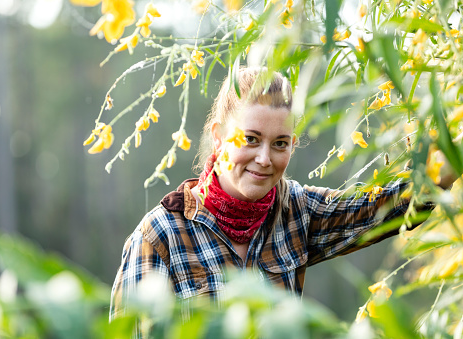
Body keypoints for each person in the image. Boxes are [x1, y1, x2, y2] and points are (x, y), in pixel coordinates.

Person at [109, 67, 453, 320]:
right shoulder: (161, 236)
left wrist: (447, 164)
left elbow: (380, 209)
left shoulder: (296, 210)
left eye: (280, 144)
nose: (264, 159)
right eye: (250, 138)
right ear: (218, 137)